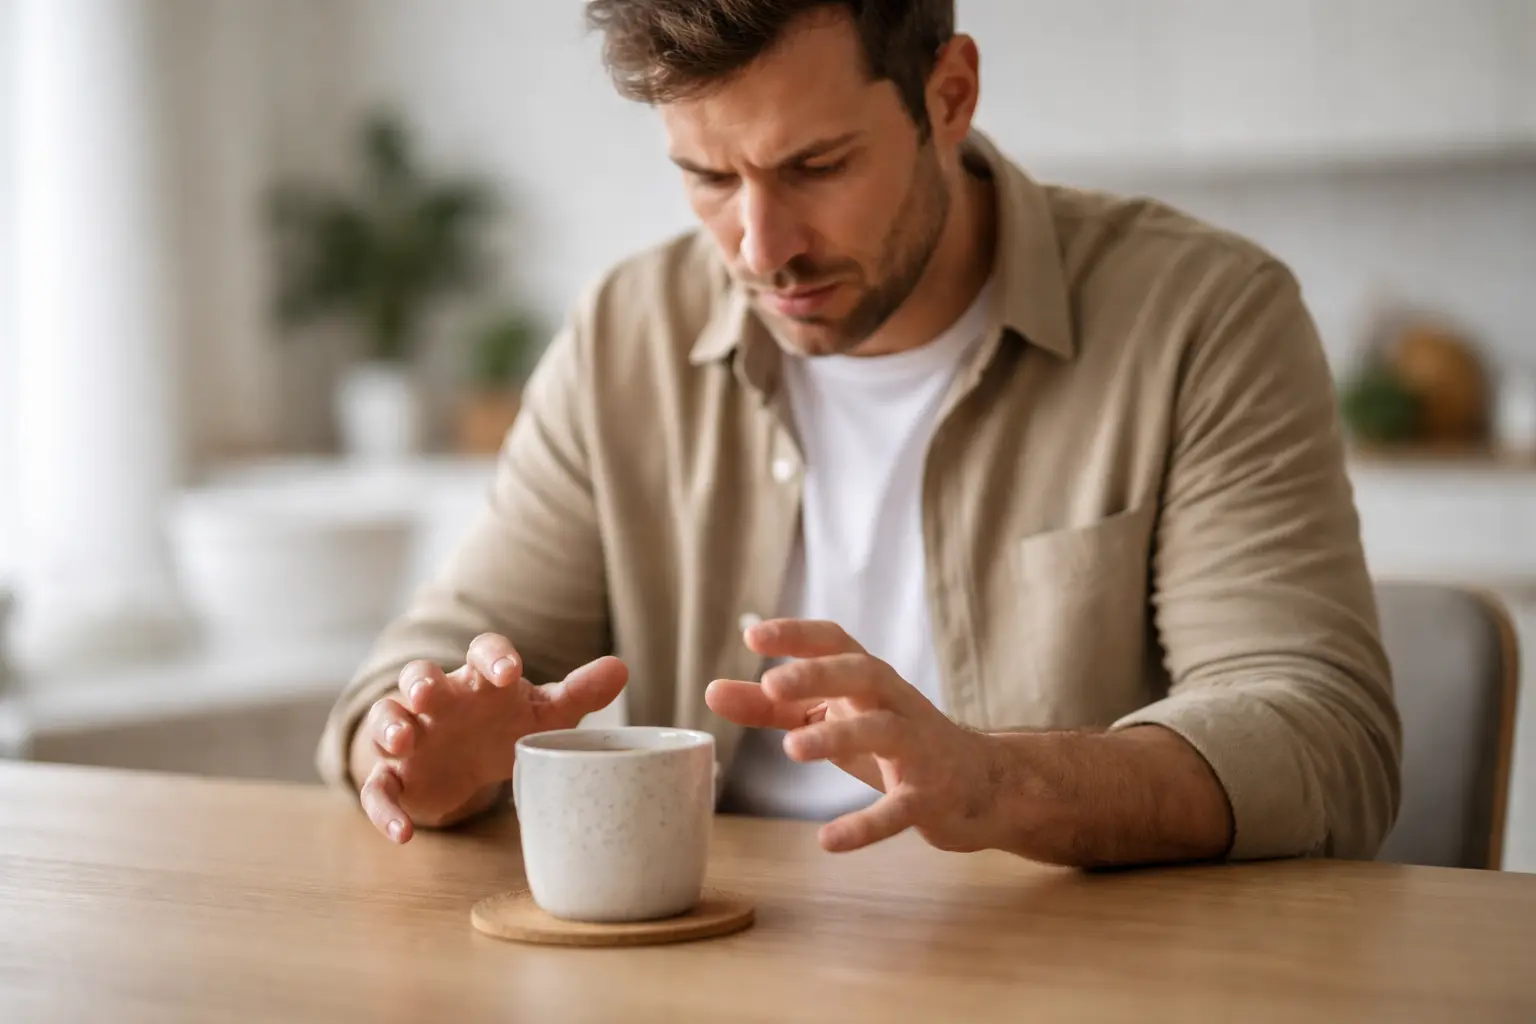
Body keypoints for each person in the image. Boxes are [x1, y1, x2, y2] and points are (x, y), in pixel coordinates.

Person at [316, 0, 1401, 867]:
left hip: (1061, 974)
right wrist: (415, 751)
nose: (761, 245)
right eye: (706, 176)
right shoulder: (622, 338)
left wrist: (997, 781)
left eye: (816, 167)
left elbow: (1321, 734)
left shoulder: (1203, 316)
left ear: (950, 94)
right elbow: (420, 672)